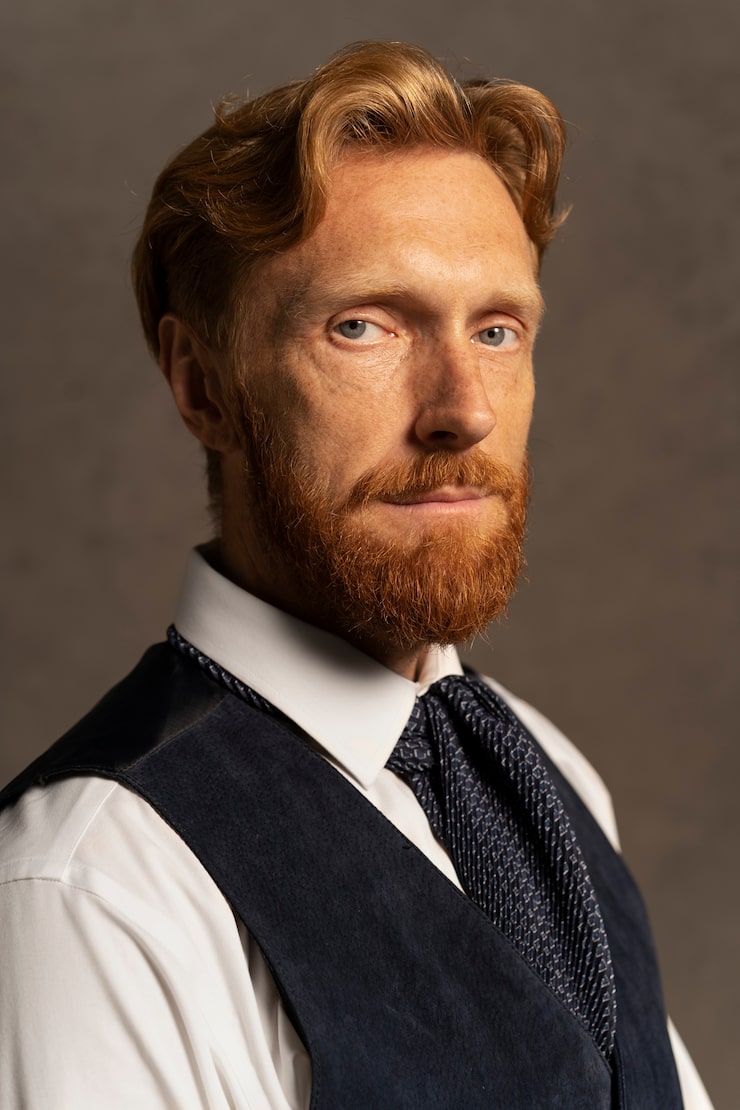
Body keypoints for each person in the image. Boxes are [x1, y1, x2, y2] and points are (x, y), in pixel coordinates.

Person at [0, 41, 713, 1109]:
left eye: (497, 328)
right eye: (364, 326)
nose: (463, 409)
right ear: (202, 387)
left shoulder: (550, 773)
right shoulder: (90, 887)